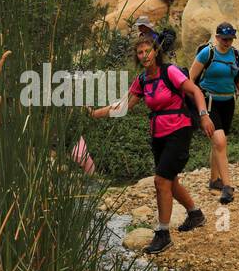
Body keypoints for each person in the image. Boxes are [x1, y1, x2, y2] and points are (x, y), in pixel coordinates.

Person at [88, 32, 214, 255]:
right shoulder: (142, 80)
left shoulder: (170, 72)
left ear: (156, 52)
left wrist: (204, 115)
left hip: (179, 129)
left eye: (148, 51)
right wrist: (94, 114)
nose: (144, 55)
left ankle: (163, 234)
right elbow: (123, 107)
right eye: (140, 52)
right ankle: (195, 214)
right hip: (158, 134)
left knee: (160, 181)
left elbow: (194, 90)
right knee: (170, 181)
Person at [189, 21, 239, 204]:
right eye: (224, 39)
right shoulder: (207, 53)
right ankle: (227, 187)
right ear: (217, 37)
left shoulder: (235, 54)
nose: (227, 42)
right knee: (220, 141)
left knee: (218, 144)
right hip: (210, 102)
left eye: (230, 39)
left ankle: (214, 181)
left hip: (228, 102)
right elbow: (191, 79)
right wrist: (197, 106)